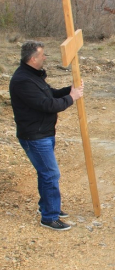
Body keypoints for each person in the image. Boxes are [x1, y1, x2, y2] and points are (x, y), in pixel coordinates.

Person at [9, 41, 84, 231]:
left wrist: (69, 89)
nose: (45, 57)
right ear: (33, 58)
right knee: (50, 173)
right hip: (35, 136)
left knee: (45, 173)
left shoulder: (33, 76)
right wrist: (72, 98)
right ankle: (49, 217)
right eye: (42, 55)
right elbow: (47, 104)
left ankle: (50, 207)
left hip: (44, 133)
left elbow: (50, 94)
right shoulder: (22, 81)